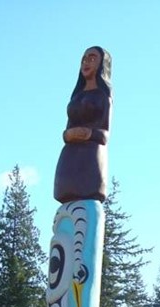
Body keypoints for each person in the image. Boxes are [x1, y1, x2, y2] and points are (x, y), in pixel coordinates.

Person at [54, 46, 112, 203]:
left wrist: (88, 133)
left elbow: (105, 135)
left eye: (92, 58)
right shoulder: (76, 98)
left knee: (88, 203)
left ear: (102, 64)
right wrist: (68, 134)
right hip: (70, 155)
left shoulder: (103, 97)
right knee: (65, 199)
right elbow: (68, 129)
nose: (86, 62)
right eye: (84, 59)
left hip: (91, 156)